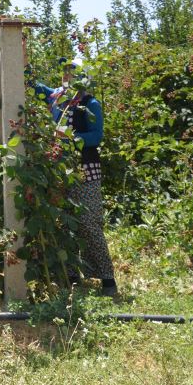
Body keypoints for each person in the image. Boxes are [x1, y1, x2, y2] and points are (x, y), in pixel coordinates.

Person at [28, 57, 118, 297]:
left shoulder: (91, 104)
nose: (67, 77)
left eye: (73, 73)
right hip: (58, 171)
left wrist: (68, 137)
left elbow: (96, 137)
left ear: (83, 78)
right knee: (64, 224)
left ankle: (107, 279)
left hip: (84, 171)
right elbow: (29, 83)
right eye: (64, 73)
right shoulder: (56, 97)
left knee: (89, 223)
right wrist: (21, 52)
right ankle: (72, 276)